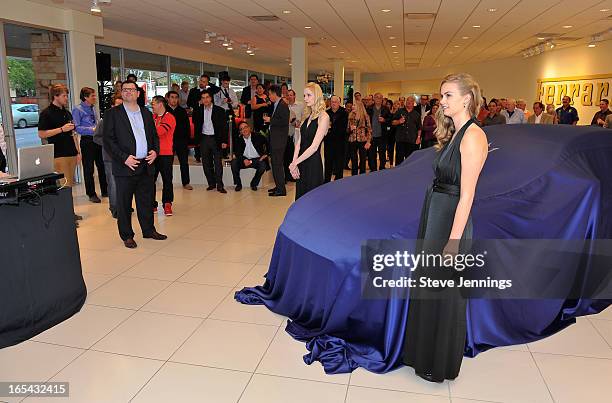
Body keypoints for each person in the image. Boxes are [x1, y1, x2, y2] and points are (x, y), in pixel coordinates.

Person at [402, 73, 488, 383]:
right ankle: (422, 354)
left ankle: (438, 363)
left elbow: (467, 195)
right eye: (442, 95)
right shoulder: (456, 132)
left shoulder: (474, 135)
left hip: (451, 219)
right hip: (436, 213)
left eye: (448, 95)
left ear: (466, 99)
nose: (442, 101)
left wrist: (453, 242)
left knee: (444, 289)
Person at [103, 81, 167, 249]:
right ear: (121, 93)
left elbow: (153, 136)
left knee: (146, 201)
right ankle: (127, 235)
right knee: (124, 204)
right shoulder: (112, 114)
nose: (128, 92)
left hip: (146, 164)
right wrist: (124, 158)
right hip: (126, 165)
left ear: (138, 93)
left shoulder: (146, 113)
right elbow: (108, 141)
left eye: (132, 90)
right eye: (125, 90)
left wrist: (155, 151)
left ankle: (148, 230)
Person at [37, 84, 81, 226]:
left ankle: (69, 212)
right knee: (64, 186)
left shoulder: (67, 113)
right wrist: (61, 129)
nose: (66, 98)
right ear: (55, 96)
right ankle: (66, 216)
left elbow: (73, 134)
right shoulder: (47, 113)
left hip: (71, 153)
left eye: (66, 95)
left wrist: (78, 151)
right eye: (63, 96)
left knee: (69, 186)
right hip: (58, 154)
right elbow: (42, 133)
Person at [290, 82, 330, 200]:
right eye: (304, 96)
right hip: (301, 161)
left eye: (308, 95)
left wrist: (295, 163)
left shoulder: (324, 117)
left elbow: (314, 147)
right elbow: (299, 142)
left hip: (312, 163)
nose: (305, 99)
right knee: (300, 198)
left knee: (311, 201)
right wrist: (294, 163)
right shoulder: (307, 115)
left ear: (317, 96)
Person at [73, 87, 107, 203]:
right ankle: (91, 193)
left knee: (102, 166)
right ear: (85, 97)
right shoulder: (77, 110)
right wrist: (92, 129)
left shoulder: (93, 108)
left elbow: (96, 121)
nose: (95, 98)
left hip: (98, 140)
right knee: (89, 168)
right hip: (87, 141)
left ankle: (105, 190)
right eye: (92, 96)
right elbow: (77, 128)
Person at [93, 94, 123, 218]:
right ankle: (115, 208)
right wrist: (109, 144)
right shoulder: (104, 122)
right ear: (112, 106)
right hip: (110, 158)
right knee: (113, 184)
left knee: (123, 184)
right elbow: (96, 138)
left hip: (124, 158)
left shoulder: (127, 122)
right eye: (118, 105)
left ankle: (124, 206)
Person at [193, 91, 228, 193]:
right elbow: (196, 126)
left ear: (211, 98)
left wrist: (224, 141)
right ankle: (211, 183)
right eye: (203, 98)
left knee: (218, 163)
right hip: (204, 139)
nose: (205, 100)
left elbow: (224, 127)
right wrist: (197, 140)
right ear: (201, 100)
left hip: (216, 139)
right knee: (206, 163)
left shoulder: (220, 110)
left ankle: (220, 185)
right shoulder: (198, 110)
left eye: (207, 97)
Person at [151, 95, 175, 216]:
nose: (152, 106)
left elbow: (159, 132)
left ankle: (167, 203)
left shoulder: (170, 117)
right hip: (152, 154)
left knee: (167, 180)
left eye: (153, 104)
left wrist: (148, 129)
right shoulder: (152, 117)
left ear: (160, 104)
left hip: (165, 153)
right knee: (151, 180)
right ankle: (152, 204)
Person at [264, 84, 290, 197]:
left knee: (277, 164)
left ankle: (281, 189)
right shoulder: (277, 104)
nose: (269, 96)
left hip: (279, 140)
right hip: (275, 139)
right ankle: (278, 186)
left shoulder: (283, 105)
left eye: (270, 94)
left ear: (275, 94)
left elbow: (284, 122)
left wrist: (271, 120)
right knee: (275, 164)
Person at [166, 90, 192, 190]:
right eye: (172, 97)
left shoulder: (182, 111)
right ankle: (168, 183)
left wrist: (187, 141)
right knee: (167, 163)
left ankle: (186, 182)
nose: (174, 100)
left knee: (184, 162)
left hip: (181, 140)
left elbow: (187, 127)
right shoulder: (164, 111)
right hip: (168, 141)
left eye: (176, 98)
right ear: (167, 98)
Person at [231, 122, 269, 191]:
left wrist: (266, 154)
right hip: (244, 160)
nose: (244, 130)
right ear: (240, 132)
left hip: (256, 160)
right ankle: (238, 184)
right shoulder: (238, 140)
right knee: (234, 163)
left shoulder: (258, 136)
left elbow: (269, 142)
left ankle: (254, 183)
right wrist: (243, 160)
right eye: (241, 129)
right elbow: (237, 153)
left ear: (249, 128)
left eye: (245, 127)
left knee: (263, 165)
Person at [325, 95, 349, 182]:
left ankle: (338, 181)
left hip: (340, 142)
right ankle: (326, 180)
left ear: (339, 103)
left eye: (335, 102)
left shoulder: (344, 113)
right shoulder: (326, 113)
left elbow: (345, 128)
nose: (333, 103)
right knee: (328, 162)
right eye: (332, 102)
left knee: (339, 162)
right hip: (329, 142)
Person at [392, 96, 421, 165]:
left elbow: (419, 128)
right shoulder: (399, 111)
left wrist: (418, 137)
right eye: (407, 100)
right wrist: (399, 121)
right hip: (400, 139)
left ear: (413, 103)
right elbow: (392, 122)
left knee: (410, 161)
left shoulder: (416, 114)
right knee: (399, 160)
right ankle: (398, 174)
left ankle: (408, 174)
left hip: (411, 140)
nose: (409, 102)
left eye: (411, 101)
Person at [367, 93, 391, 171]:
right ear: (374, 99)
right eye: (376, 97)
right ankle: (373, 169)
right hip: (371, 136)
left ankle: (382, 168)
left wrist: (384, 120)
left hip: (382, 135)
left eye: (380, 98)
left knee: (382, 154)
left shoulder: (385, 109)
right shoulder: (369, 108)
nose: (378, 99)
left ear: (382, 99)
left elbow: (390, 120)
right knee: (371, 154)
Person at [347, 101, 372, 175]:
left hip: (362, 140)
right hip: (352, 140)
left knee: (363, 159)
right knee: (353, 159)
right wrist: (350, 129)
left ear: (359, 107)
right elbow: (347, 129)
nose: (352, 107)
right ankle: (354, 176)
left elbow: (369, 130)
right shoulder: (350, 116)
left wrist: (368, 141)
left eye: (354, 105)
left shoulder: (365, 116)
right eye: (353, 105)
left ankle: (362, 175)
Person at [286, 89, 304, 182]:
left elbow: (303, 117)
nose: (289, 97)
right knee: (288, 155)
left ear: (294, 96)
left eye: (291, 95)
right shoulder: (284, 105)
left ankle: (296, 174)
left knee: (296, 154)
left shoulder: (300, 105)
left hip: (296, 133)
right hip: (286, 133)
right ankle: (288, 175)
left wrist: (299, 123)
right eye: (288, 95)